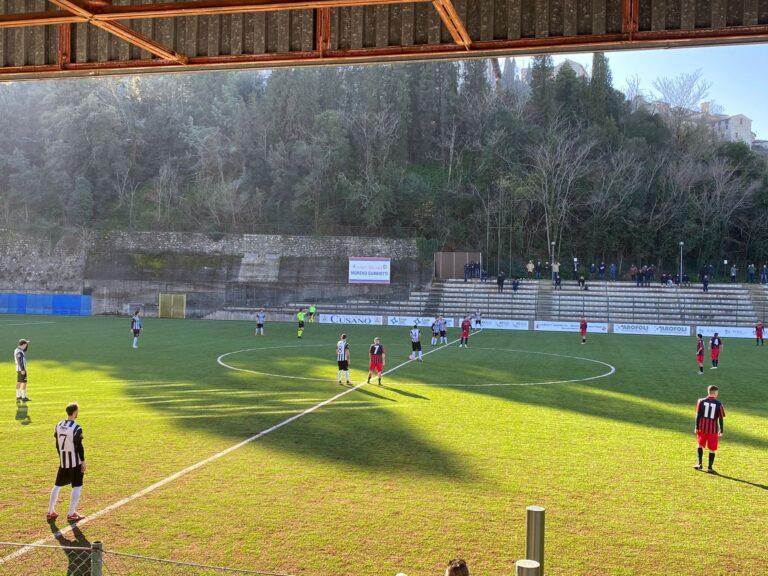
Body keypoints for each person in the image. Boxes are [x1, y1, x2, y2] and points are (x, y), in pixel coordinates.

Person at [47, 402, 86, 522]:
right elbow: (79, 447)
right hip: (75, 462)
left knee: (57, 485)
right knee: (77, 485)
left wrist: (61, 456)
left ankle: (50, 511)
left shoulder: (58, 425)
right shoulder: (77, 428)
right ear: (75, 412)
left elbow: (57, 444)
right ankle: (71, 513)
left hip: (63, 461)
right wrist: (83, 462)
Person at [694, 385, 725, 473]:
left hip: (702, 428)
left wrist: (696, 427)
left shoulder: (700, 401)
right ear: (715, 393)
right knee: (712, 448)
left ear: (709, 392)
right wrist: (721, 430)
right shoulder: (719, 404)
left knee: (700, 445)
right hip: (713, 430)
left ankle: (699, 464)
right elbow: (721, 418)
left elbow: (698, 415)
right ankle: (710, 468)